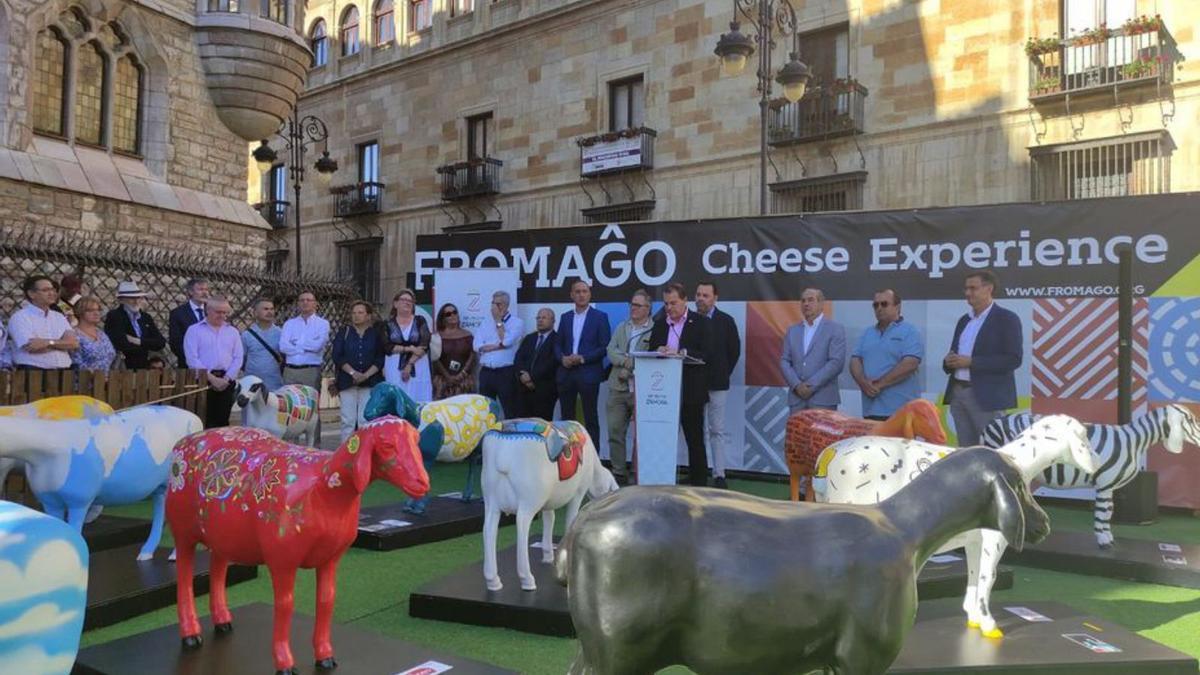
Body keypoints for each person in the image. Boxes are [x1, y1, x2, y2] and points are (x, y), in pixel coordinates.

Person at [943, 271, 1023, 446]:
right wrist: (949, 361)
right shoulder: (964, 320)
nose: (967, 293)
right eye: (966, 288)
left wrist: (971, 362)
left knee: (992, 450)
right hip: (958, 394)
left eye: (973, 288)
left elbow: (1013, 359)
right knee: (965, 452)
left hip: (987, 398)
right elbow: (955, 353)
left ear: (989, 289)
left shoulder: (1006, 319)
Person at [648, 283, 711, 487]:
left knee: (694, 439)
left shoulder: (700, 322)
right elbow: (650, 351)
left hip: (690, 390)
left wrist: (682, 353)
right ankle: (661, 479)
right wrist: (658, 349)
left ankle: (699, 482)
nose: (669, 307)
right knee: (662, 439)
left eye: (673, 303)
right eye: (666, 303)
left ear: (684, 300)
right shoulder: (659, 324)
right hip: (663, 392)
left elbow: (707, 354)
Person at [850, 289, 924, 421]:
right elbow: (855, 360)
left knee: (900, 443)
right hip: (871, 410)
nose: (879, 308)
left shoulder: (910, 331)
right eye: (875, 305)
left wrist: (879, 384)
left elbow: (910, 363)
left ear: (897, 306)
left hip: (902, 411)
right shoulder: (867, 333)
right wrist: (863, 383)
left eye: (884, 304)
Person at [694, 281, 740, 489]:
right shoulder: (690, 321)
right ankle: (698, 473)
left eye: (705, 295)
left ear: (715, 298)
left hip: (717, 384)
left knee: (717, 430)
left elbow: (734, 352)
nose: (700, 299)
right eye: (698, 295)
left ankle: (719, 474)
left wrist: (722, 372)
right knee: (695, 430)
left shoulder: (726, 321)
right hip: (693, 384)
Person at [604, 290, 654, 484]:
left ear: (648, 309)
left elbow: (650, 356)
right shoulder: (622, 327)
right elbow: (610, 350)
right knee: (615, 430)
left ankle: (638, 472)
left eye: (638, 305)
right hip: (618, 386)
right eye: (632, 304)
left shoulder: (655, 329)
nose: (633, 308)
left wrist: (631, 365)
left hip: (642, 389)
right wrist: (626, 362)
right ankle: (619, 471)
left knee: (642, 435)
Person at [555, 280, 611, 445]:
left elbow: (604, 347)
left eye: (584, 291)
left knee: (590, 418)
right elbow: (557, 344)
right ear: (572, 295)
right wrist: (563, 358)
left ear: (589, 294)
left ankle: (593, 460)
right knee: (566, 419)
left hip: (589, 374)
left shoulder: (600, 317)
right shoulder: (565, 317)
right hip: (566, 374)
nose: (581, 295)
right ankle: (567, 457)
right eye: (577, 291)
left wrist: (582, 358)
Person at [780, 287, 846, 412]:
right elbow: (784, 361)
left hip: (824, 400)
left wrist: (810, 386)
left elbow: (836, 363)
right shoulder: (792, 330)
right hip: (797, 399)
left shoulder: (835, 329)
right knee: (796, 433)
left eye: (810, 300)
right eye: (803, 301)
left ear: (821, 304)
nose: (806, 304)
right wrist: (797, 386)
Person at [183, 295, 243, 428]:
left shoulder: (233, 332)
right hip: (202, 381)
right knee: (203, 421)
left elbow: (238, 357)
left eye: (225, 312)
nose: (222, 315)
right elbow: (192, 358)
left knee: (222, 422)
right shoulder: (194, 331)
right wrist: (211, 378)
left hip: (226, 382)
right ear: (207, 310)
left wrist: (227, 379)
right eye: (218, 312)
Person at [332, 300, 387, 442]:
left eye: (360, 312)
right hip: (347, 382)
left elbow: (380, 358)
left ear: (368, 316)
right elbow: (337, 355)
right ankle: (346, 453)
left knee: (365, 420)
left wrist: (366, 375)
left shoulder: (375, 334)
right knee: (347, 420)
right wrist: (353, 373)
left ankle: (363, 452)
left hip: (369, 383)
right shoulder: (344, 333)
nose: (356, 316)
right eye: (354, 313)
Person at [8, 275, 78, 371]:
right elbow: (31, 347)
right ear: (31, 294)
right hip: (33, 372)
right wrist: (61, 345)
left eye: (53, 290)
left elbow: (73, 344)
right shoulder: (20, 317)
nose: (52, 293)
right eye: (45, 290)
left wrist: (47, 343)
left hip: (64, 373)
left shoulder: (59, 317)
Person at [474, 290, 525, 417]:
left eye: (498, 304)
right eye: (493, 303)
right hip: (486, 372)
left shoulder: (517, 323)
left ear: (505, 305)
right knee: (486, 411)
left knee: (510, 409)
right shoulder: (485, 322)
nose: (494, 307)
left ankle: (510, 435)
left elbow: (506, 341)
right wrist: (498, 346)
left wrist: (498, 320)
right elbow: (476, 346)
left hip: (505, 373)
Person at [384, 289, 433, 402]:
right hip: (394, 366)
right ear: (395, 304)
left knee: (418, 398)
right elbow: (387, 347)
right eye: (403, 300)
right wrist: (409, 348)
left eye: (410, 301)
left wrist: (409, 365)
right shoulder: (387, 324)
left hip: (419, 365)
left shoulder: (420, 321)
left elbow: (424, 345)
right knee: (396, 399)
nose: (407, 302)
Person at [104, 280, 167, 370]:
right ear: (122, 300)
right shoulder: (115, 316)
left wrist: (137, 341)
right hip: (126, 368)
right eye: (132, 298)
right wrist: (148, 345)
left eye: (138, 298)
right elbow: (121, 344)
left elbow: (161, 342)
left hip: (147, 368)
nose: (136, 301)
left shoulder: (146, 317)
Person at [514, 307, 559, 420]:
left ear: (553, 320)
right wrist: (522, 376)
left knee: (542, 428)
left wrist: (532, 377)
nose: (540, 320)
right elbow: (518, 359)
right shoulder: (529, 338)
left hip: (544, 391)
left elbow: (552, 363)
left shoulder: (558, 339)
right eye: (538, 317)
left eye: (544, 317)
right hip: (524, 390)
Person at [280, 291, 330, 392]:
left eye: (309, 300)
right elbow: (283, 347)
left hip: (310, 371)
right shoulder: (289, 324)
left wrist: (295, 344)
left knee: (310, 404)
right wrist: (307, 346)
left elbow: (317, 346)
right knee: (290, 404)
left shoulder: (323, 324)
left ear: (315, 304)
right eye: (302, 300)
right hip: (290, 371)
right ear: (298, 304)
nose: (305, 302)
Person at [432, 303, 477, 398]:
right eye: (448, 314)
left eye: (454, 312)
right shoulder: (436, 336)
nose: (452, 315)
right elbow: (435, 359)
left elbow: (472, 355)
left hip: (464, 382)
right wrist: (448, 377)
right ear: (443, 319)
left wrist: (462, 374)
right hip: (442, 382)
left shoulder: (468, 335)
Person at [241, 298, 284, 392]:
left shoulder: (281, 334)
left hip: (274, 384)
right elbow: (242, 359)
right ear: (255, 312)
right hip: (252, 384)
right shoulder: (247, 335)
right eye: (265, 309)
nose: (270, 312)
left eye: (271, 309)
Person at [169, 278, 210, 368]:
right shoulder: (178, 314)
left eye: (206, 289)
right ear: (190, 292)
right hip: (188, 367)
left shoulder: (212, 311)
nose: (205, 293)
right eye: (200, 289)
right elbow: (176, 343)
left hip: (211, 365)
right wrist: (194, 359)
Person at [71, 296, 118, 372]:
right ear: (80, 312)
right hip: (84, 380)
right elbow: (76, 362)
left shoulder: (102, 334)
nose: (96, 313)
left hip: (108, 380)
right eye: (90, 310)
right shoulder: (74, 334)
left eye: (98, 310)